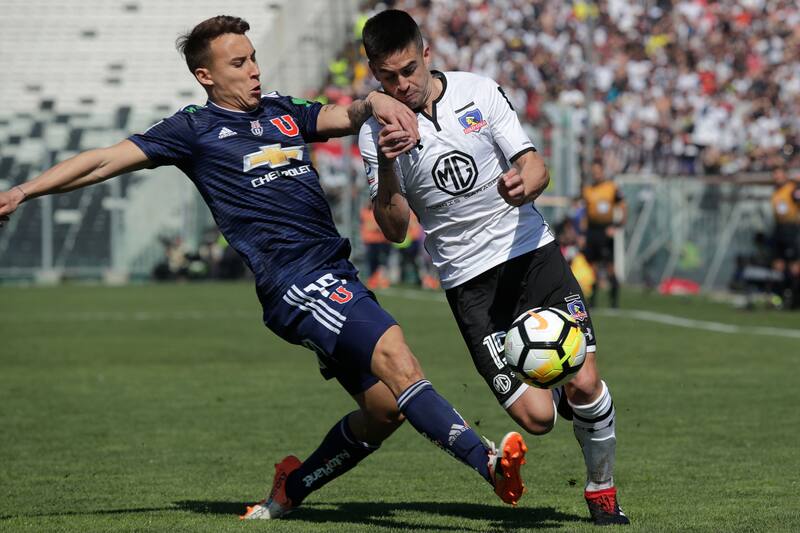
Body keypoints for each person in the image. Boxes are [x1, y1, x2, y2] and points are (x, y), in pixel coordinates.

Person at [0, 15, 528, 520]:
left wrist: (372, 100)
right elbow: (103, 159)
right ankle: (488, 463)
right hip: (294, 282)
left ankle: (290, 488)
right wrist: (24, 190)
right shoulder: (193, 130)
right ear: (205, 76)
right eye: (238, 64)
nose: (254, 70)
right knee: (395, 353)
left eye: (253, 58)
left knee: (384, 410)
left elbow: (342, 117)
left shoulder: (279, 109)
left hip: (333, 272)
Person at [358, 10, 629, 526]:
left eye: (410, 69)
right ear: (374, 72)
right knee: (538, 419)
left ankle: (602, 491)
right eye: (389, 76)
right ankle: (563, 399)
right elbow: (393, 230)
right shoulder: (374, 133)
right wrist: (391, 163)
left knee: (586, 383)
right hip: (469, 285)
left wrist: (526, 184)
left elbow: (534, 164)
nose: (403, 84)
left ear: (427, 53)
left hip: (531, 255)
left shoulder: (479, 92)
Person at [581, 161, 627, 308]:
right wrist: (583, 233)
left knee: (609, 267)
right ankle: (592, 301)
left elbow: (623, 206)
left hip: (606, 230)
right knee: (592, 267)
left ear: (603, 172)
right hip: (592, 231)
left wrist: (617, 225)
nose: (596, 174)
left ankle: (614, 302)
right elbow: (585, 213)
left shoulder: (611, 188)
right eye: (593, 171)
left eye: (598, 171)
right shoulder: (588, 190)